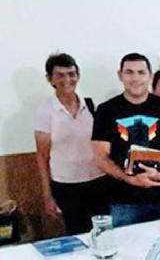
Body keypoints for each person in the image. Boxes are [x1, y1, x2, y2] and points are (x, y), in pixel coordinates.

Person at [92, 53, 160, 227]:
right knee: (126, 252)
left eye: (141, 72)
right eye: (129, 72)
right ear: (120, 75)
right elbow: (100, 157)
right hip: (123, 202)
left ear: (150, 76)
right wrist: (128, 178)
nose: (135, 78)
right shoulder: (106, 110)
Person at [34, 52, 108, 235]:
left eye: (71, 74)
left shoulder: (90, 106)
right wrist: (47, 195)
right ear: (50, 79)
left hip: (98, 181)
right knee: (78, 235)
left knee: (104, 233)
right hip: (66, 186)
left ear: (78, 76)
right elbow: (42, 156)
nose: (67, 79)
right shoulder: (45, 111)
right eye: (60, 75)